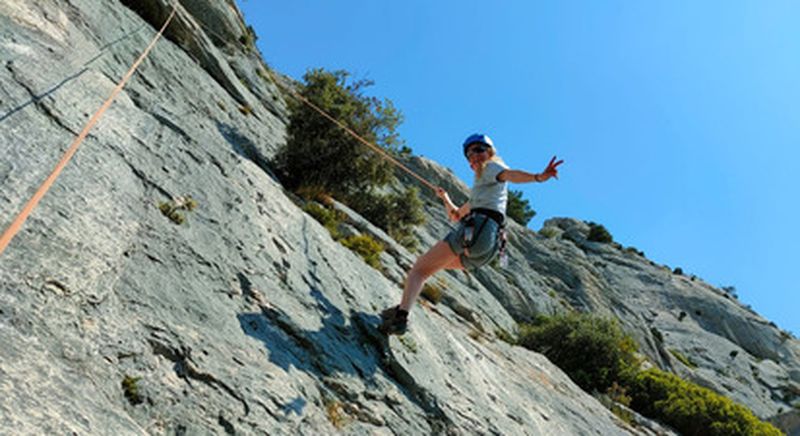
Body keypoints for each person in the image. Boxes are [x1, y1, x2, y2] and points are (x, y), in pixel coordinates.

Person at [379, 133, 563, 335]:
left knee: (418, 270)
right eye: (469, 154)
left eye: (478, 150)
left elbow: (511, 174)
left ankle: (400, 317)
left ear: (489, 152)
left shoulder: (492, 167)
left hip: (477, 230)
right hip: (487, 248)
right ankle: (400, 310)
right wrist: (445, 198)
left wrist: (539, 177)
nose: (473, 155)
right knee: (425, 269)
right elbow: (457, 215)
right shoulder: (482, 192)